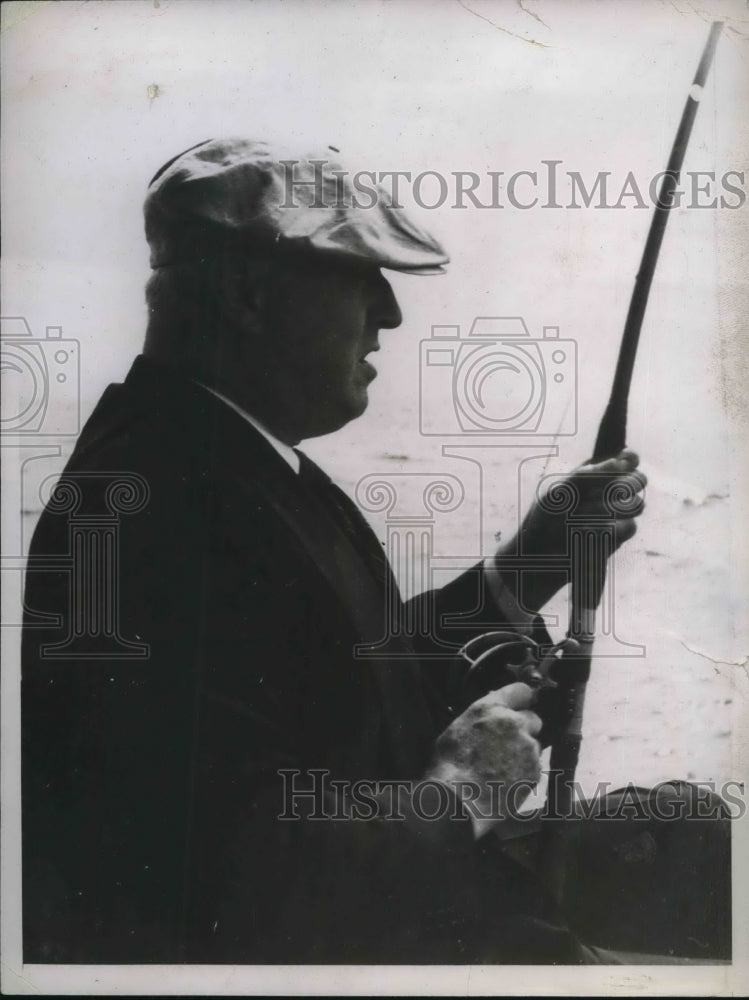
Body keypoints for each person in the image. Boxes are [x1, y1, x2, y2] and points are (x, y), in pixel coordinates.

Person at [21, 139, 728, 965]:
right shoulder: (152, 510)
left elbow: (348, 675)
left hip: (414, 904)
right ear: (249, 292)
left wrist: (526, 571)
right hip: (390, 949)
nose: (388, 314)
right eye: (361, 276)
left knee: (704, 837)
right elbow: (230, 888)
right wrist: (465, 790)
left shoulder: (235, 461)